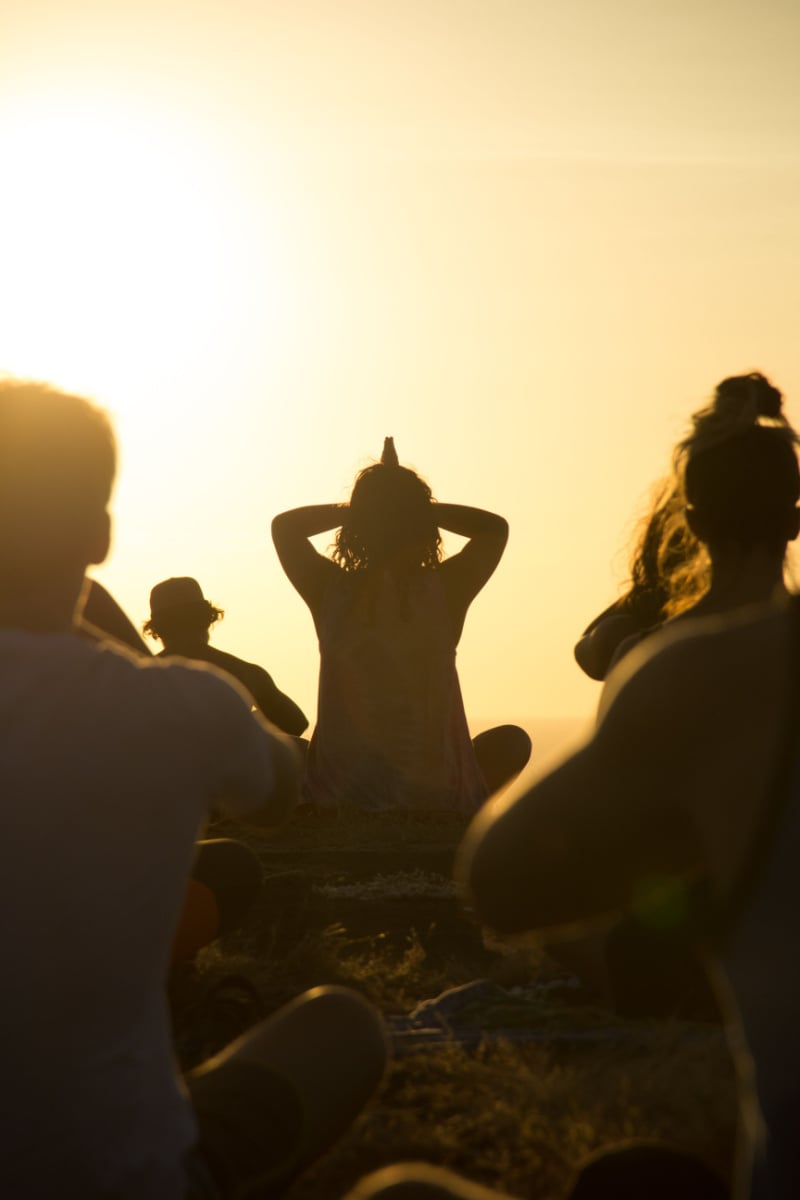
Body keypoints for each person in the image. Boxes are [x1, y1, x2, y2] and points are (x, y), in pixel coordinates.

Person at [0, 379, 387, 1199]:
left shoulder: (182, 692)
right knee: (342, 1025)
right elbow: (282, 782)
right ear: (98, 535)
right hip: (122, 1174)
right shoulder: (184, 702)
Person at [271, 438, 531, 812]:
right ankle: (467, 810)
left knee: (290, 749)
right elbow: (494, 528)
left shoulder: (327, 589)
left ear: (358, 529)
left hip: (342, 793)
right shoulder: (448, 588)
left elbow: (286, 527)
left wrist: (365, 505)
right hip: (439, 791)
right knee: (512, 742)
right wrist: (411, 505)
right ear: (421, 528)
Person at [575, 372, 799, 681]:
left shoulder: (647, 659)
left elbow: (588, 651)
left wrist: (652, 584)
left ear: (694, 524)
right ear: (794, 523)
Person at [144, 575, 309, 736]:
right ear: (207, 619)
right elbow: (296, 723)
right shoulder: (245, 673)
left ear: (157, 629)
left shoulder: (141, 679)